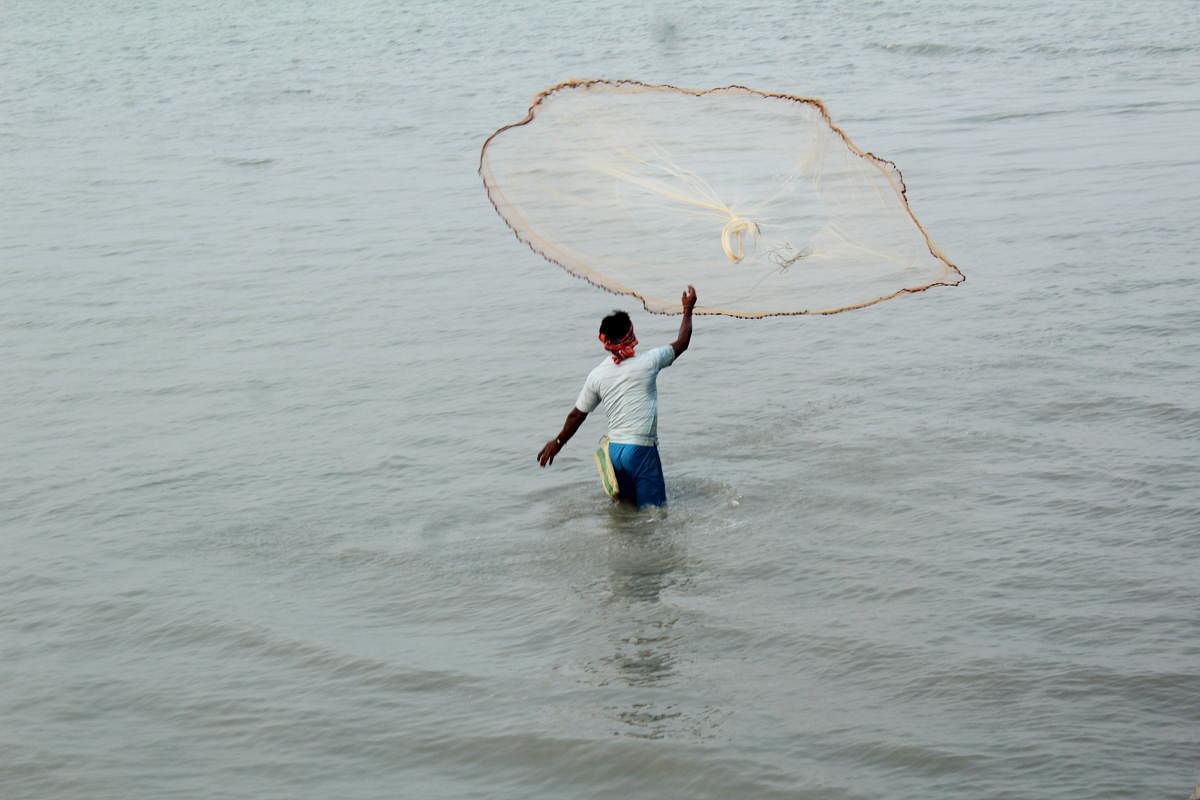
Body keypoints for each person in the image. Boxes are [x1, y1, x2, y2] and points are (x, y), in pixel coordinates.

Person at [537, 285, 697, 507]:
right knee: (655, 514)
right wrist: (688, 310)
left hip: (614, 454)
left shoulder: (597, 375)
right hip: (640, 450)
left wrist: (557, 442)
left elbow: (577, 415)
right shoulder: (649, 362)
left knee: (627, 511)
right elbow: (683, 342)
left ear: (605, 342)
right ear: (631, 332)